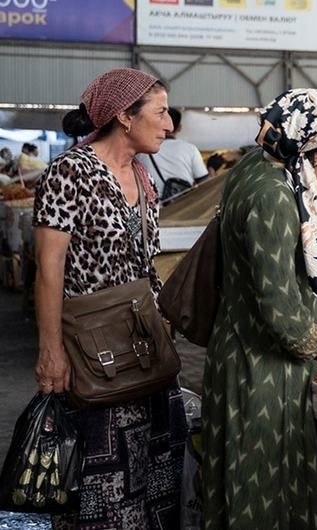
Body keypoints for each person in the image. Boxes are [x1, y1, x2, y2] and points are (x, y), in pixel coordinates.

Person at [201, 88, 317, 529]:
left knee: (260, 484)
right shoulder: (273, 195)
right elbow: (278, 303)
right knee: (260, 493)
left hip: (250, 357)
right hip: (261, 372)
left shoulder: (268, 165)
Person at [33, 68, 187, 529]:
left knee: (157, 473)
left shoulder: (145, 178)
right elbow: (48, 271)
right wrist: (51, 352)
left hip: (146, 348)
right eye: (160, 113)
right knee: (99, 481)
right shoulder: (70, 173)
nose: (169, 125)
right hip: (94, 353)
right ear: (124, 115)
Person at [136, 107, 208, 200]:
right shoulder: (190, 149)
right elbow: (204, 182)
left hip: (154, 207)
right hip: (183, 206)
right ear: (179, 128)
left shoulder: (143, 149)